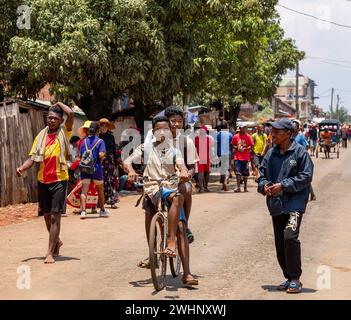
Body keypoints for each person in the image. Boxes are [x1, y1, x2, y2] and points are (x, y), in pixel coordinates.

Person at [124, 116, 198, 285]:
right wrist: (130, 170)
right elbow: (128, 160)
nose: (162, 132)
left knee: (180, 224)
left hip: (168, 188)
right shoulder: (145, 148)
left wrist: (184, 172)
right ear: (153, 131)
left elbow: (182, 165)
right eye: (158, 129)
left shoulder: (174, 151)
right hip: (150, 188)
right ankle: (152, 254)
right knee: (149, 213)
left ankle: (185, 270)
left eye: (165, 129)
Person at [257, 118, 313, 294]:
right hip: (276, 204)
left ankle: (295, 278)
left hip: (295, 204)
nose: (271, 134)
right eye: (271, 131)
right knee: (280, 242)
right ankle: (288, 277)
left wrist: (284, 185)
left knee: (290, 236)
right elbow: (261, 175)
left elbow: (306, 176)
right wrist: (264, 186)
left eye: (276, 132)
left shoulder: (300, 152)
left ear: (288, 134)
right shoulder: (271, 154)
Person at [16, 102, 74, 264]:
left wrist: (58, 104)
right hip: (43, 180)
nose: (51, 120)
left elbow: (70, 114)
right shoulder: (40, 136)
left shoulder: (65, 132)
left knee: (55, 217)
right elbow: (32, 158)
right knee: (47, 217)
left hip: (59, 179)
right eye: (49, 118)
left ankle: (49, 252)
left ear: (60, 120)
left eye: (55, 118)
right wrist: (22, 168)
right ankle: (57, 242)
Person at [165, 106, 199, 244]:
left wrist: (187, 176)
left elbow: (192, 167)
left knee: (186, 189)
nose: (177, 124)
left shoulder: (186, 142)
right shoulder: (157, 140)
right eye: (173, 121)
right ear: (166, 122)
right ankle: (151, 252)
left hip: (180, 179)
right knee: (148, 205)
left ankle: (185, 224)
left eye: (179, 121)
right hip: (160, 179)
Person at [79, 121, 108, 219]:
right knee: (100, 190)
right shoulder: (100, 141)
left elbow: (80, 155)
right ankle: (102, 210)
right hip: (96, 169)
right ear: (98, 131)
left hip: (85, 169)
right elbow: (101, 154)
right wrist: (102, 157)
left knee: (84, 190)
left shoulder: (83, 141)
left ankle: (83, 211)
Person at [99, 118, 119, 209]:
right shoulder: (97, 137)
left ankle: (112, 200)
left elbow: (114, 151)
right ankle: (101, 201)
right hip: (100, 161)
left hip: (110, 162)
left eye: (105, 126)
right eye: (102, 126)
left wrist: (116, 165)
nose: (103, 128)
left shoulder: (111, 137)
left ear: (107, 127)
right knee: (100, 181)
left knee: (110, 180)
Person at [232, 123, 254, 193]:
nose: (242, 129)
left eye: (244, 128)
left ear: (245, 128)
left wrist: (245, 148)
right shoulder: (235, 136)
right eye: (241, 128)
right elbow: (232, 144)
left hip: (245, 157)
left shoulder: (248, 137)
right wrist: (237, 148)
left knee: (245, 173)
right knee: (238, 172)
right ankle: (238, 187)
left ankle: (245, 187)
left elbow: (252, 146)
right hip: (237, 157)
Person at [195, 126, 214, 193]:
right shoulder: (208, 139)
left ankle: (202, 188)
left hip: (201, 157)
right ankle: (204, 187)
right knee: (206, 172)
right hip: (205, 157)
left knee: (202, 172)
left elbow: (194, 148)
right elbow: (211, 149)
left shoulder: (197, 139)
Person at [216, 121, 233, 191]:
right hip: (227, 153)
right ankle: (225, 182)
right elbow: (231, 145)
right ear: (227, 126)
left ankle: (223, 184)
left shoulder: (218, 134)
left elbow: (216, 144)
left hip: (220, 153)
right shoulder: (230, 135)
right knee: (227, 169)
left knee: (222, 169)